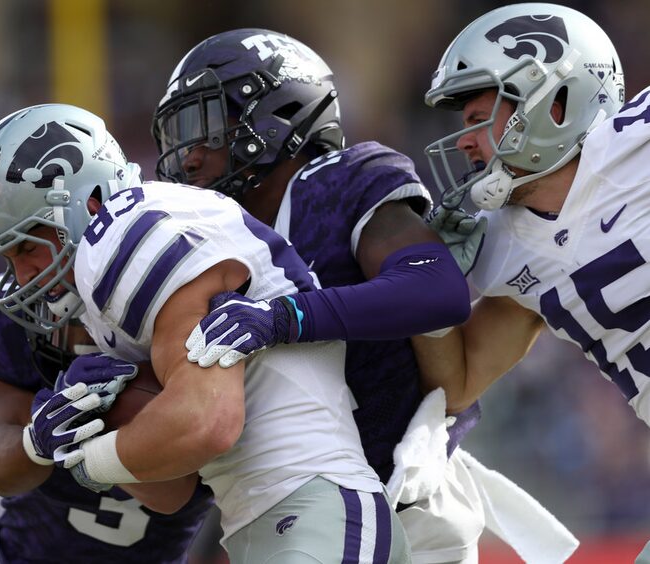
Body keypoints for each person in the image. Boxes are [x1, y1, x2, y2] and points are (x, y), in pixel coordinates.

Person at [0, 102, 410, 563]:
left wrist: (90, 462)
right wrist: (62, 434)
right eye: (7, 258)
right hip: (268, 522)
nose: (23, 274)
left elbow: (205, 425)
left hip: (310, 507)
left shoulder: (133, 240)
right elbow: (172, 486)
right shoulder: (90, 294)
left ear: (87, 205)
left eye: (25, 247)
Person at [151, 28, 487, 563]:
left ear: (274, 114)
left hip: (400, 499)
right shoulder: (213, 240)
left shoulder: (334, 182)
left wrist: (285, 317)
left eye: (204, 127)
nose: (188, 157)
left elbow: (437, 288)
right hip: (292, 494)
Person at [413, 2, 650, 430]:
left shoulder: (639, 140)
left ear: (556, 102)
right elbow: (459, 383)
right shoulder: (507, 248)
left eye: (479, 120)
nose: (464, 142)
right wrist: (427, 295)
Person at [0, 276, 213, 558]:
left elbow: (173, 494)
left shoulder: (196, 300)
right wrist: (35, 441)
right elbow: (1, 471)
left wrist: (97, 435)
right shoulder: (7, 301)